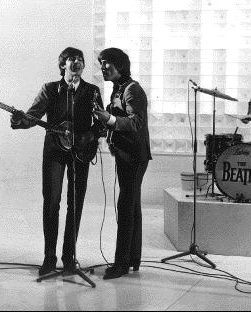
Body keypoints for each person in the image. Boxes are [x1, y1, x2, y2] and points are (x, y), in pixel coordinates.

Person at [10, 47, 104, 276]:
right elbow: (33, 116)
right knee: (51, 203)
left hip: (80, 153)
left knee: (76, 204)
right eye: (73, 59)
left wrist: (89, 136)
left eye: (81, 59)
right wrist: (19, 121)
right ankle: (49, 258)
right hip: (54, 152)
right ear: (63, 65)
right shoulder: (50, 89)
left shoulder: (92, 91)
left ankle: (69, 257)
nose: (78, 62)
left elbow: (100, 124)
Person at [93, 47, 152, 280]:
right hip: (128, 155)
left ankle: (121, 264)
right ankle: (131, 260)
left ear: (120, 64)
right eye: (101, 63)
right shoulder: (119, 88)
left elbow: (136, 123)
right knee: (131, 207)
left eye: (106, 63)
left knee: (126, 207)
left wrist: (109, 118)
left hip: (134, 157)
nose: (103, 68)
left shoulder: (132, 89)